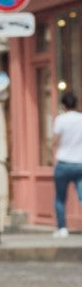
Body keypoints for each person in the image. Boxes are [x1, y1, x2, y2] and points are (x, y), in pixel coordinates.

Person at [52, 89, 82, 237]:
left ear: (63, 105)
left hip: (64, 163)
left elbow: (55, 141)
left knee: (60, 197)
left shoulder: (60, 120)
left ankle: (62, 228)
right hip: (80, 163)